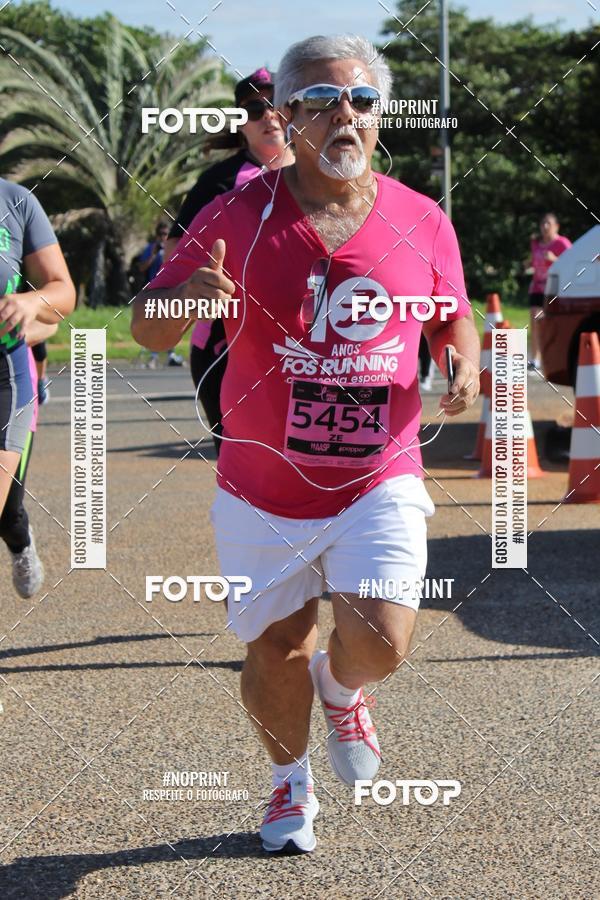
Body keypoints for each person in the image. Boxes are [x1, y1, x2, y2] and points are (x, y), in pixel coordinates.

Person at [132, 34, 480, 854]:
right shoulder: (233, 215)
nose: (345, 116)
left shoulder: (421, 218)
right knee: (277, 645)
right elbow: (147, 328)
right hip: (262, 484)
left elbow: (450, 312)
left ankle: (345, 688)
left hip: (379, 472)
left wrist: (459, 356)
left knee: (386, 640)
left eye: (361, 100)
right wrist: (187, 295)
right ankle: (289, 781)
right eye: (322, 102)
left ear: (381, 113)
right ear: (288, 118)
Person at [164, 68, 294, 454]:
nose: (269, 115)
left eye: (277, 105)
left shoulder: (320, 174)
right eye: (255, 109)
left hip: (304, 341)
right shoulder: (219, 181)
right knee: (245, 461)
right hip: (226, 345)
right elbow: (175, 255)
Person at [0, 178, 75, 593]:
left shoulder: (16, 201)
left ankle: (20, 541)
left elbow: (62, 293)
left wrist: (31, 301)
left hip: (5, 374)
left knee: (7, 510)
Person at [1, 322, 57, 597]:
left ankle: (21, 544)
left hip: (13, 391)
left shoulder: (13, 280)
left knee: (7, 515)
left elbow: (50, 322)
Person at [527, 212, 571, 372]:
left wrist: (554, 259)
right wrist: (529, 264)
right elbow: (535, 260)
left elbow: (573, 263)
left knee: (553, 322)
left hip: (555, 288)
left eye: (548, 224)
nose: (545, 227)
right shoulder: (536, 243)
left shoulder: (562, 243)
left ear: (556, 226)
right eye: (542, 223)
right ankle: (535, 359)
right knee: (535, 319)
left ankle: (560, 356)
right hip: (538, 287)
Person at [136, 221, 183, 367]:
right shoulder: (151, 249)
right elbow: (142, 267)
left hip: (170, 290)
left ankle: (171, 354)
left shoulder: (174, 248)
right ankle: (154, 355)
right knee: (153, 323)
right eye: (160, 234)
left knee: (171, 321)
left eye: (166, 234)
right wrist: (153, 254)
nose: (163, 237)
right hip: (154, 292)